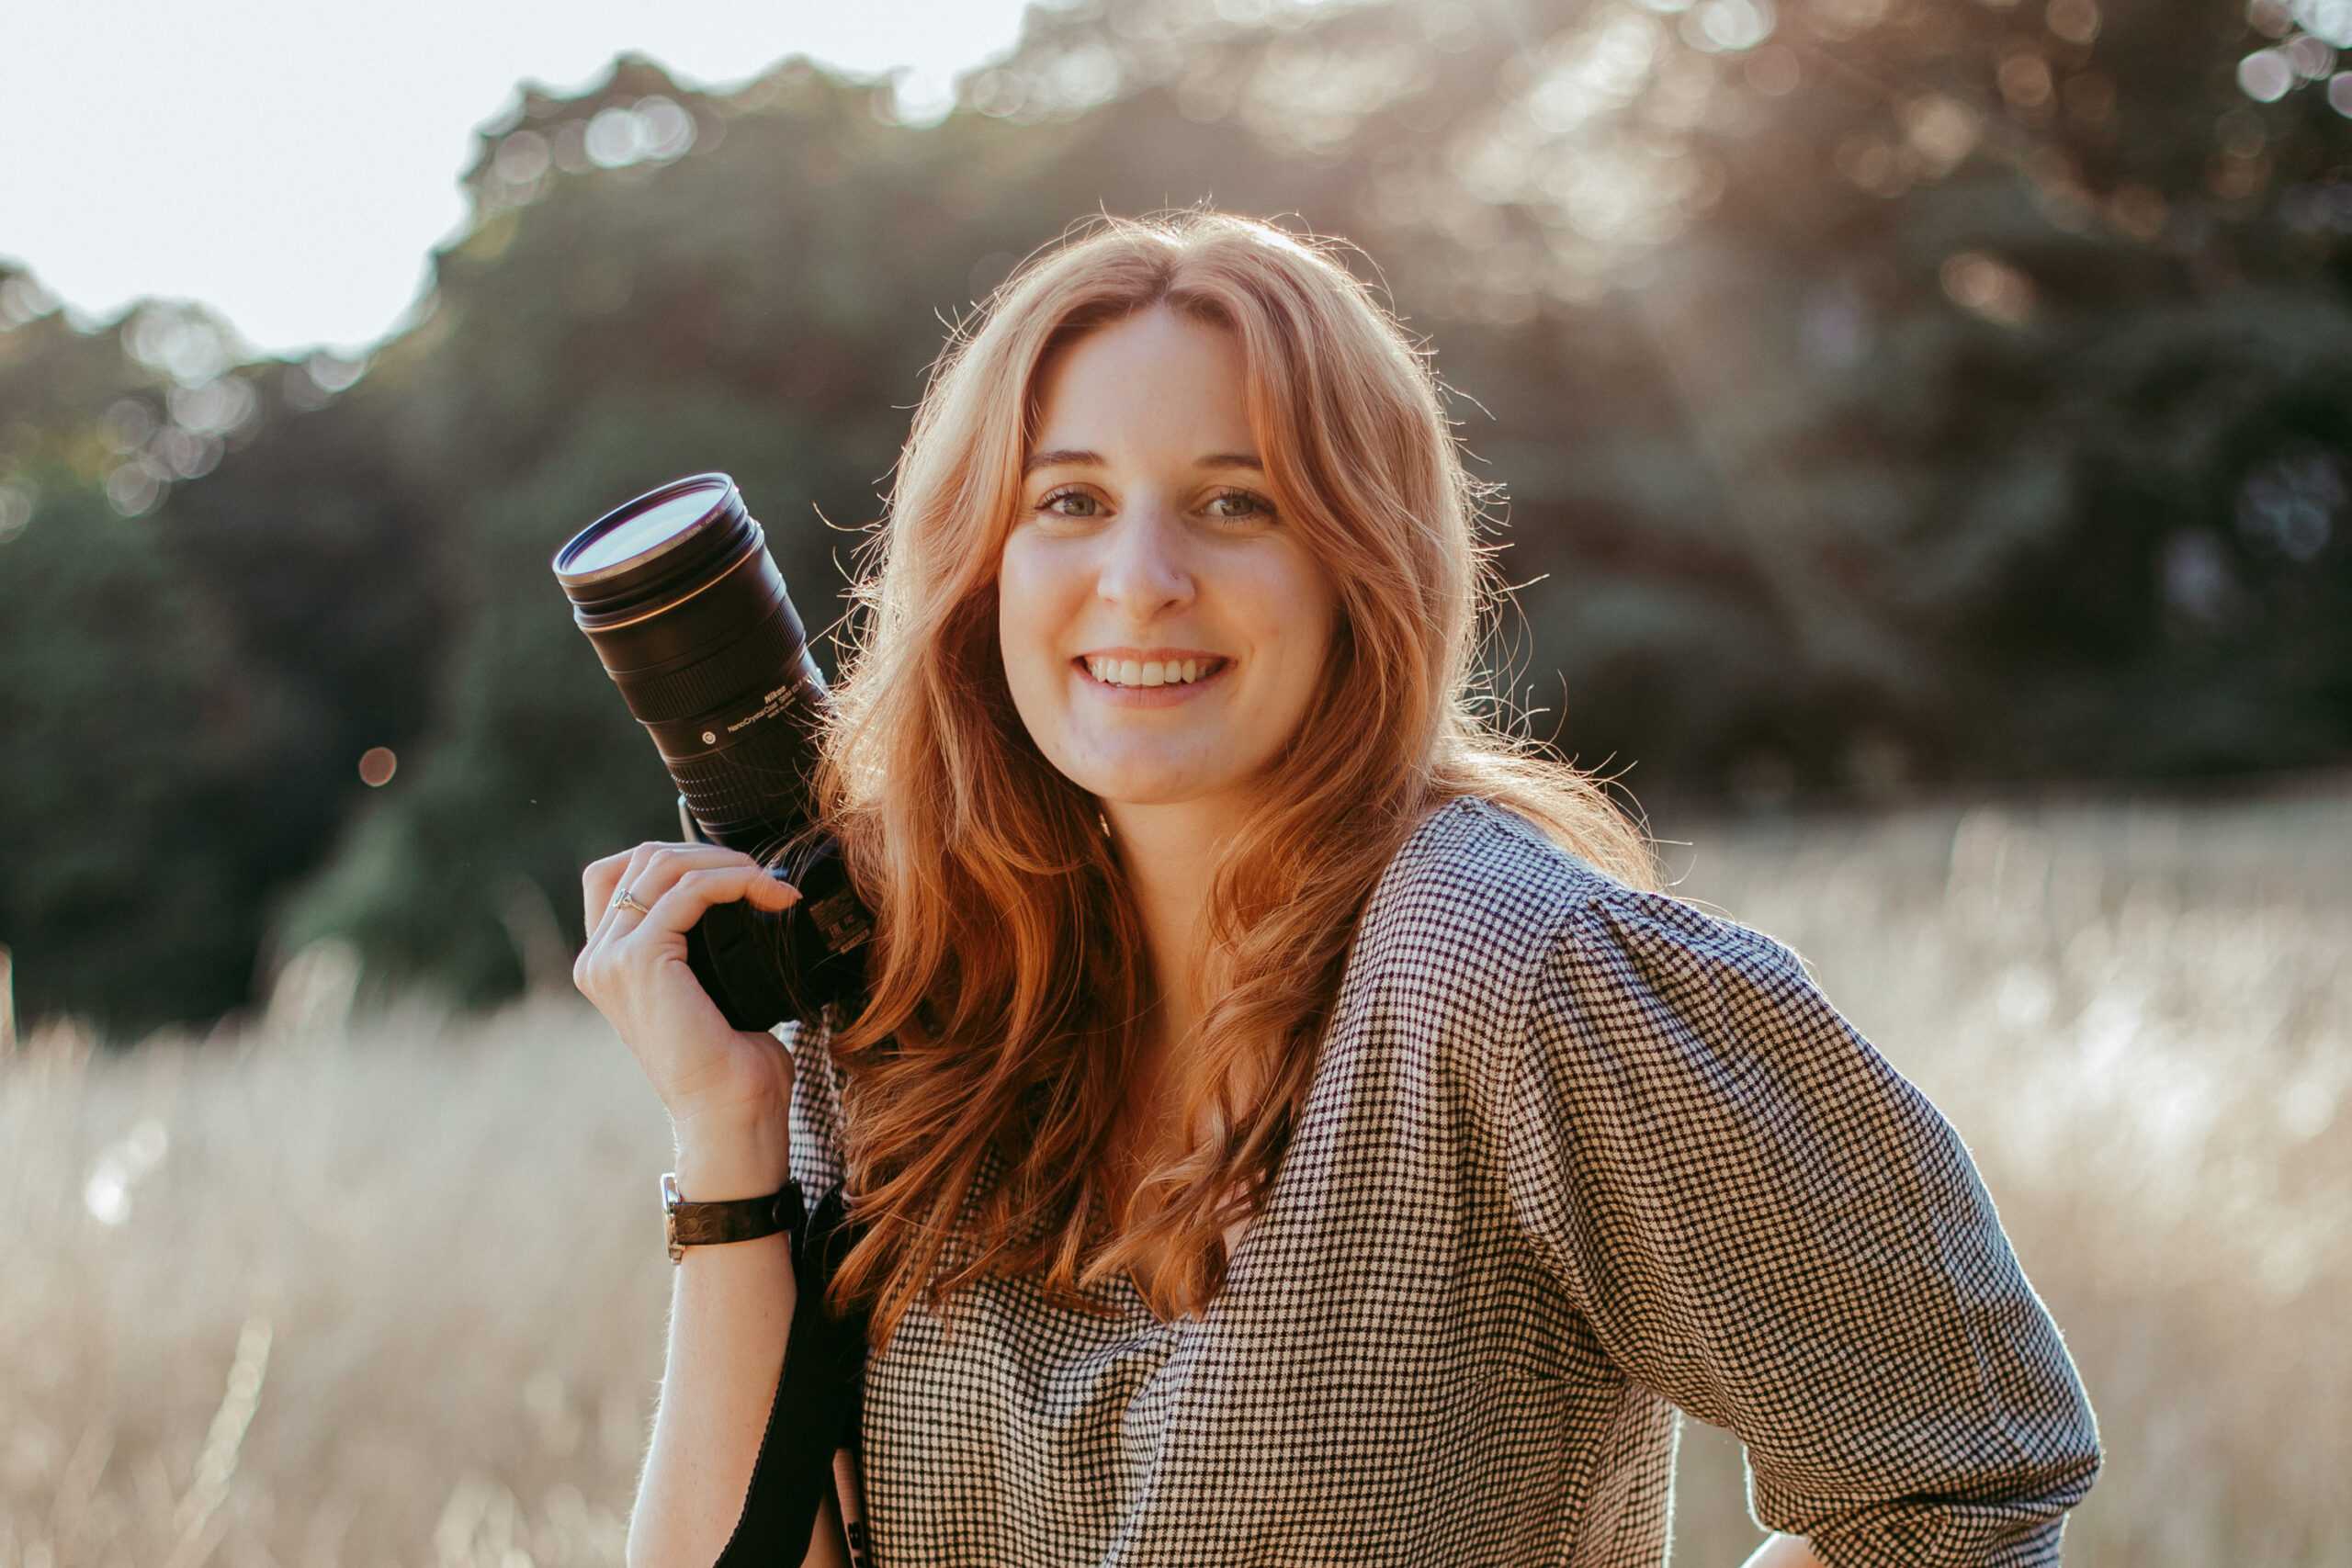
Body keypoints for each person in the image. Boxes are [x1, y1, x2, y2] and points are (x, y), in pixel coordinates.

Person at [571, 213, 2099, 1568]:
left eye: (1236, 502)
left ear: (1362, 561)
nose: (1143, 577)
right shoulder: (932, 986)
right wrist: (729, 1144)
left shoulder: (1508, 971)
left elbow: (1957, 1477)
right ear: (980, 572)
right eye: (1070, 503)